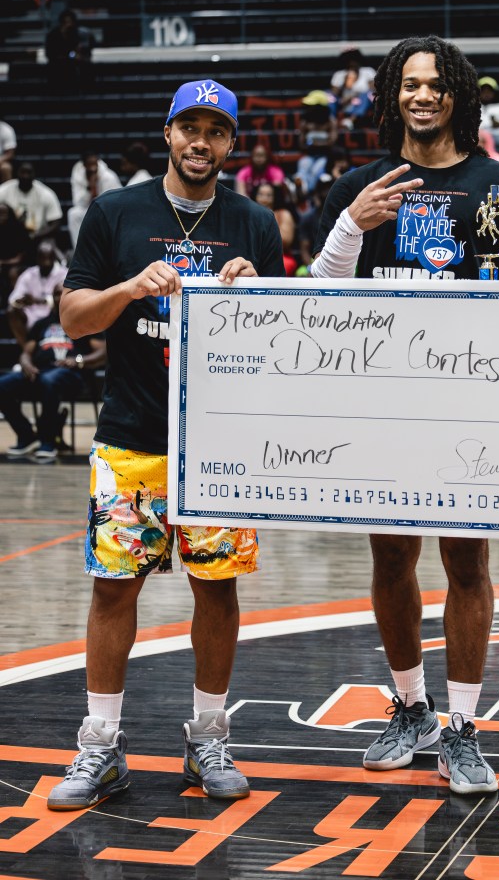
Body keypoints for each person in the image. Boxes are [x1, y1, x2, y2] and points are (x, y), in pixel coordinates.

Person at [46, 79, 284, 812]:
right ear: (168, 132)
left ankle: (208, 738)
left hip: (219, 445)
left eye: (216, 130)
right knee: (113, 589)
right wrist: (128, 288)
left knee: (217, 589)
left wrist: (257, 293)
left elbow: (284, 343)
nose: (200, 142)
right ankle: (100, 745)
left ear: (231, 143)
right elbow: (74, 318)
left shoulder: (253, 223)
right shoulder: (116, 212)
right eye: (190, 127)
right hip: (132, 439)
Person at [310, 35, 499, 794]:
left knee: (467, 563)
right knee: (391, 559)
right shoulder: (360, 185)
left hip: (468, 409)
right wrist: (353, 223)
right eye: (409, 83)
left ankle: (462, 727)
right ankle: (411, 708)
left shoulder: (497, 186)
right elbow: (318, 299)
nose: (423, 95)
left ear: (458, 95)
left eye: (436, 83)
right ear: (391, 95)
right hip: (382, 409)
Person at [0, 282, 106, 462]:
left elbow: (103, 352)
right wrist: (26, 363)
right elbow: (26, 352)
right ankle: (26, 435)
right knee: (2, 386)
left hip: (71, 375)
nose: (59, 297)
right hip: (40, 372)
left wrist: (78, 360)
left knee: (49, 381)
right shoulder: (42, 323)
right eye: (56, 293)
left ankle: (47, 440)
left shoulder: (84, 321)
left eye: (63, 292)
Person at [7, 239, 68, 348]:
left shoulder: (64, 273)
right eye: (42, 259)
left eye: (48, 259)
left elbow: (66, 298)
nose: (46, 263)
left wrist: (38, 301)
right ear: (37, 258)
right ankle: (27, 350)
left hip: (54, 315)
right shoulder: (29, 274)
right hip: (32, 315)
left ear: (54, 258)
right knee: (11, 311)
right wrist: (21, 300)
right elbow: (12, 299)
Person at [0, 162, 63, 247]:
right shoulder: (5, 190)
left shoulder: (46, 193)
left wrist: (35, 236)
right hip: (10, 236)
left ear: (34, 175)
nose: (25, 176)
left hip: (38, 237)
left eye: (29, 173)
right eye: (23, 172)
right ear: (17, 173)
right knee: (3, 208)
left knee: (46, 249)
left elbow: (56, 222)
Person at [68, 152, 122, 249]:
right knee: (73, 214)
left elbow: (114, 202)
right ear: (84, 165)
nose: (93, 168)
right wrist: (90, 188)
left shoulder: (108, 176)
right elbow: (77, 202)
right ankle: (79, 250)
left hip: (107, 212)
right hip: (88, 208)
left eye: (94, 164)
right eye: (89, 165)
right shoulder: (78, 175)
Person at [45, 8, 94, 93]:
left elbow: (78, 50)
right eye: (66, 22)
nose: (68, 25)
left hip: (72, 64)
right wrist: (69, 56)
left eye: (70, 22)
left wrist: (75, 54)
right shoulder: (53, 35)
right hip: (57, 64)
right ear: (61, 23)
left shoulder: (75, 34)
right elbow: (50, 54)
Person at [329, 47, 376, 127]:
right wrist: (344, 83)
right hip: (345, 102)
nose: (352, 62)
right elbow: (334, 94)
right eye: (349, 59)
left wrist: (356, 95)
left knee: (368, 94)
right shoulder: (339, 74)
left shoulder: (368, 71)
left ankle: (351, 120)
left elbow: (373, 90)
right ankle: (332, 120)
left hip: (363, 102)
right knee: (329, 96)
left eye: (354, 59)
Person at [0, 117, 17, 182]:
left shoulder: (6, 129)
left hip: (1, 161)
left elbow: (10, 154)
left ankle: (6, 189)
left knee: (6, 168)